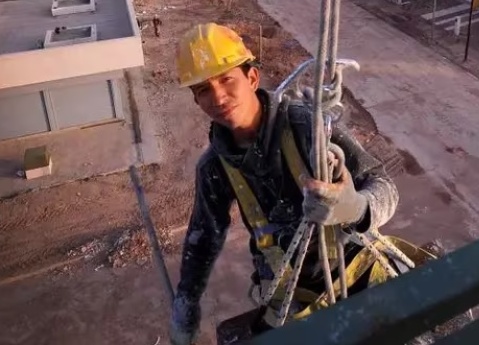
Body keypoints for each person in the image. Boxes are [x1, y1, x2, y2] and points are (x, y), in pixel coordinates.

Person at [169, 23, 399, 344]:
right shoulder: (215, 167)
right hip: (287, 290)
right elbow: (204, 236)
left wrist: (357, 206)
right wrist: (187, 301)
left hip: (352, 271)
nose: (218, 97)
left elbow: (383, 185)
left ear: (251, 78)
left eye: (226, 80)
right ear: (196, 100)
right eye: (203, 89)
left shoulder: (305, 125)